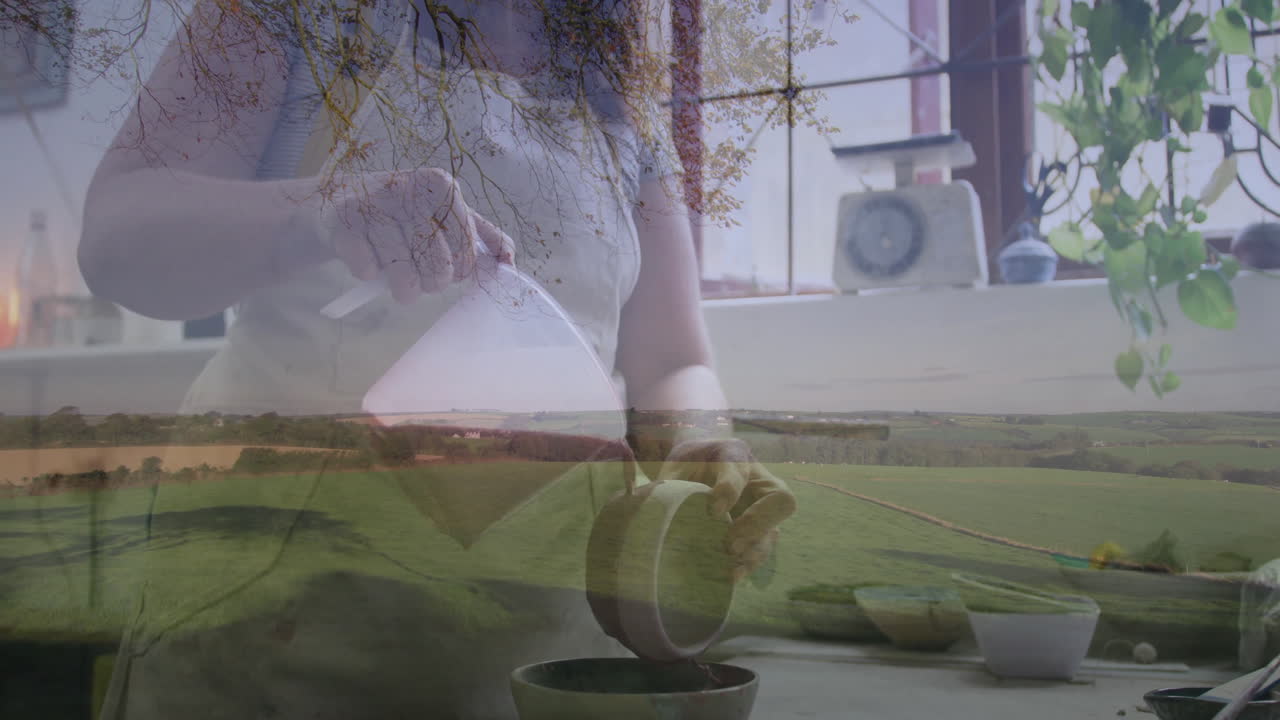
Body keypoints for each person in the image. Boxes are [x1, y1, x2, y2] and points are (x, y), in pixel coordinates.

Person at [80, 1, 795, 717]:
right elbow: (116, 240)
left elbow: (669, 359)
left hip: (541, 634)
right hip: (290, 620)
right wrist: (320, 212)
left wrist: (699, 439)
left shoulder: (613, 88)